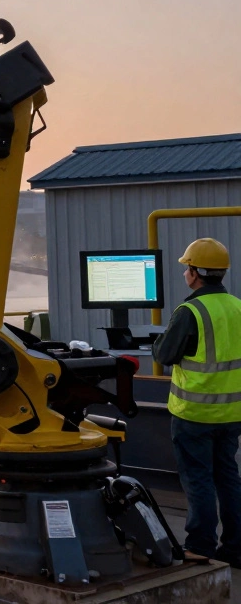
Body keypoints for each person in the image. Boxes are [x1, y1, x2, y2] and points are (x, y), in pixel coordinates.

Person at [153, 238, 241, 566]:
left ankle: (200, 546)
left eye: (186, 268)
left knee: (199, 478)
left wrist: (159, 342)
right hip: (232, 412)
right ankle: (235, 547)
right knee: (228, 476)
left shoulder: (190, 311)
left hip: (195, 414)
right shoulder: (237, 306)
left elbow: (164, 354)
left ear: (194, 272)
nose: (185, 274)